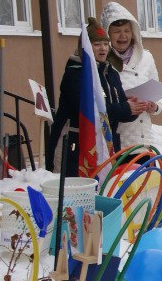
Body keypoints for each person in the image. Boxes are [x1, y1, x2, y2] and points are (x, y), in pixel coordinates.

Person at [47, 18, 142, 176]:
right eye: (97, 44)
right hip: (76, 146)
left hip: (106, 146)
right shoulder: (76, 73)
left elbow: (117, 110)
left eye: (105, 44)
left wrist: (134, 108)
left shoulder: (110, 73)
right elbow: (89, 110)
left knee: (105, 188)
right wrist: (125, 108)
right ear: (85, 47)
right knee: (76, 189)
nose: (103, 48)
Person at [99, 1, 162, 150]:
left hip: (144, 138)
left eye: (127, 31)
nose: (123, 36)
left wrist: (154, 107)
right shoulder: (103, 63)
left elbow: (156, 89)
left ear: (133, 32)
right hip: (117, 141)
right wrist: (125, 104)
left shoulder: (146, 57)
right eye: (117, 31)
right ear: (108, 34)